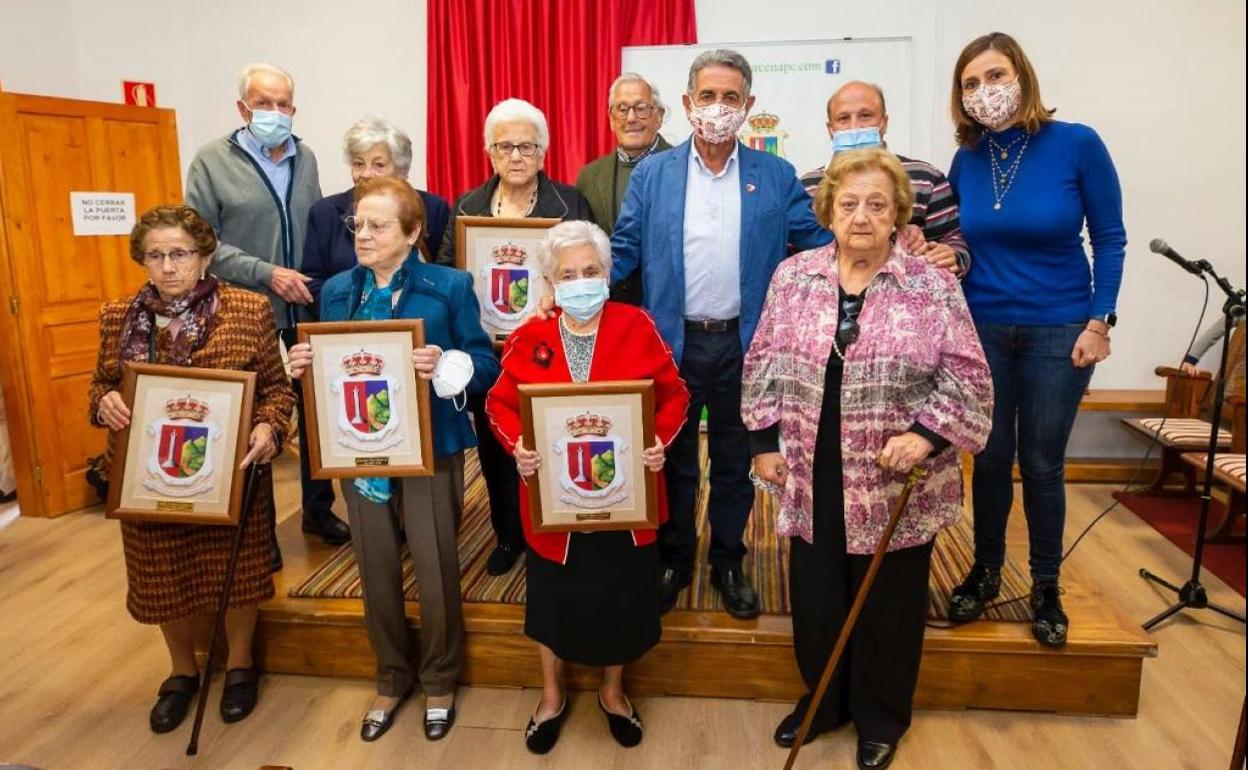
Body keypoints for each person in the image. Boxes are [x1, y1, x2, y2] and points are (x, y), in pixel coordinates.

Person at [742, 148, 993, 769]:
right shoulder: (793, 276)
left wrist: (926, 437)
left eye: (877, 205)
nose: (861, 216)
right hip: (810, 462)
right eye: (849, 203)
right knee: (818, 591)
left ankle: (880, 715)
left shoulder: (932, 285)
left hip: (895, 470)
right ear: (827, 210)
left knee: (888, 599)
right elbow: (764, 359)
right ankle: (823, 701)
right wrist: (762, 442)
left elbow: (969, 379)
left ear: (898, 215)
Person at [611, 49, 831, 619]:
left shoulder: (775, 175)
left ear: (749, 105)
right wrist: (571, 282)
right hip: (673, 344)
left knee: (737, 460)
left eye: (730, 97)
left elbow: (813, 244)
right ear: (686, 105)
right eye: (706, 96)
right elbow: (626, 248)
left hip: (745, 345)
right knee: (675, 457)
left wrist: (869, 250)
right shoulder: (653, 174)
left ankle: (728, 560)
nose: (717, 108)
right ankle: (676, 557)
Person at [287, 177, 498, 742]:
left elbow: (486, 363)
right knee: (374, 566)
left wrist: (448, 362)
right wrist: (303, 365)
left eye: (378, 225)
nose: (363, 235)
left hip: (432, 446)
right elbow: (327, 368)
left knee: (434, 568)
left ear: (412, 232)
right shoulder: (335, 291)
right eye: (358, 224)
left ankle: (440, 679)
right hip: (357, 447)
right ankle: (390, 674)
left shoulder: (450, 285)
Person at [944, 32, 1127, 647]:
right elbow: (959, 244)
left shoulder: (1076, 144)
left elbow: (1110, 237)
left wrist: (1100, 321)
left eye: (994, 77)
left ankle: (1046, 583)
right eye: (971, 84)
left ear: (1021, 77)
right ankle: (987, 569)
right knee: (989, 459)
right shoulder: (967, 159)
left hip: (1061, 329)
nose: (984, 92)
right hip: (984, 328)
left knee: (1042, 462)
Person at [89, 204, 295, 734]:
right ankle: (182, 672)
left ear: (204, 256)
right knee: (161, 579)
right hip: (144, 475)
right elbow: (101, 385)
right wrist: (105, 401)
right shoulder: (118, 316)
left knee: (238, 573)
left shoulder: (248, 309)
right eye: (154, 255)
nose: (167, 266)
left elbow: (276, 389)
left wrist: (270, 428)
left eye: (179, 253)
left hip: (229, 474)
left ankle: (241, 664)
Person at [485, 220, 690, 754]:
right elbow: (499, 404)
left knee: (620, 601)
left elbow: (676, 396)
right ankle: (550, 696)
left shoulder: (636, 324)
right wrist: (519, 447)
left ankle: (613, 693)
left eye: (591, 271)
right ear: (551, 282)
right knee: (552, 604)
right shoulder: (531, 335)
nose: (581, 281)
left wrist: (659, 440)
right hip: (553, 503)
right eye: (568, 273)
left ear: (607, 273)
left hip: (626, 498)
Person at [185, 63, 348, 556]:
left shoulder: (308, 157)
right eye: (263, 103)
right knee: (256, 415)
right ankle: (260, 530)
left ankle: (318, 509)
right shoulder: (211, 161)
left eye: (283, 104)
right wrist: (266, 272)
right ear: (243, 108)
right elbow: (202, 241)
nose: (274, 113)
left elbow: (317, 221)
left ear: (293, 109)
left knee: (314, 407)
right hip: (245, 305)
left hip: (304, 303)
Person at [438, 98, 593, 577]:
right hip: (487, 347)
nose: (517, 156)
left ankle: (557, 523)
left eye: (527, 146)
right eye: (505, 146)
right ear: (489, 152)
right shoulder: (467, 206)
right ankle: (508, 533)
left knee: (552, 435)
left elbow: (590, 269)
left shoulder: (569, 205)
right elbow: (447, 269)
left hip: (551, 344)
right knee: (496, 441)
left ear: (544, 152)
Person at [799, 81, 970, 277]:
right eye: (843, 118)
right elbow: (795, 252)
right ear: (831, 129)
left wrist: (952, 256)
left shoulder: (927, 178)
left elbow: (954, 240)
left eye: (865, 116)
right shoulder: (806, 187)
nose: (854, 126)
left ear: (884, 122)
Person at [304, 115, 451, 309]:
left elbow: (444, 276)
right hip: (346, 326)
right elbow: (312, 282)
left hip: (418, 322)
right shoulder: (324, 212)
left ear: (401, 170)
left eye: (378, 165)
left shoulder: (433, 209)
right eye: (358, 164)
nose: (365, 173)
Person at [575, 73, 672, 304]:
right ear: (610, 118)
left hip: (663, 308)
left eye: (641, 108)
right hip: (608, 307)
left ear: (659, 116)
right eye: (622, 108)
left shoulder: (683, 169)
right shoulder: (589, 176)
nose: (631, 118)